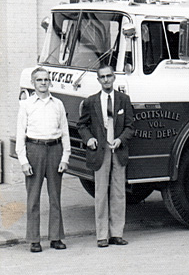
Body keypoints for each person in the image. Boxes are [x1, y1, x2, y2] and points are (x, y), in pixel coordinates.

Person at [78, 65, 134, 247]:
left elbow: (130, 126)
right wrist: (89, 139)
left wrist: (120, 139)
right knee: (101, 193)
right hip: (100, 153)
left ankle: (117, 233)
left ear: (114, 78)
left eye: (109, 76)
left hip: (117, 150)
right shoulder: (91, 101)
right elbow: (82, 125)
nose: (106, 80)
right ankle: (102, 235)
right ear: (98, 80)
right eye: (102, 77)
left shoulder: (123, 100)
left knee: (118, 194)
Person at [16, 67, 71, 253]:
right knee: (33, 198)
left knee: (55, 196)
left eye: (46, 79)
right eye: (39, 80)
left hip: (55, 150)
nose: (43, 83)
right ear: (33, 83)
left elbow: (65, 132)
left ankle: (56, 238)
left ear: (50, 82)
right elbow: (20, 134)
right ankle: (34, 239)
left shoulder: (58, 104)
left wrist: (65, 157)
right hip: (34, 150)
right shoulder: (26, 105)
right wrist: (23, 160)